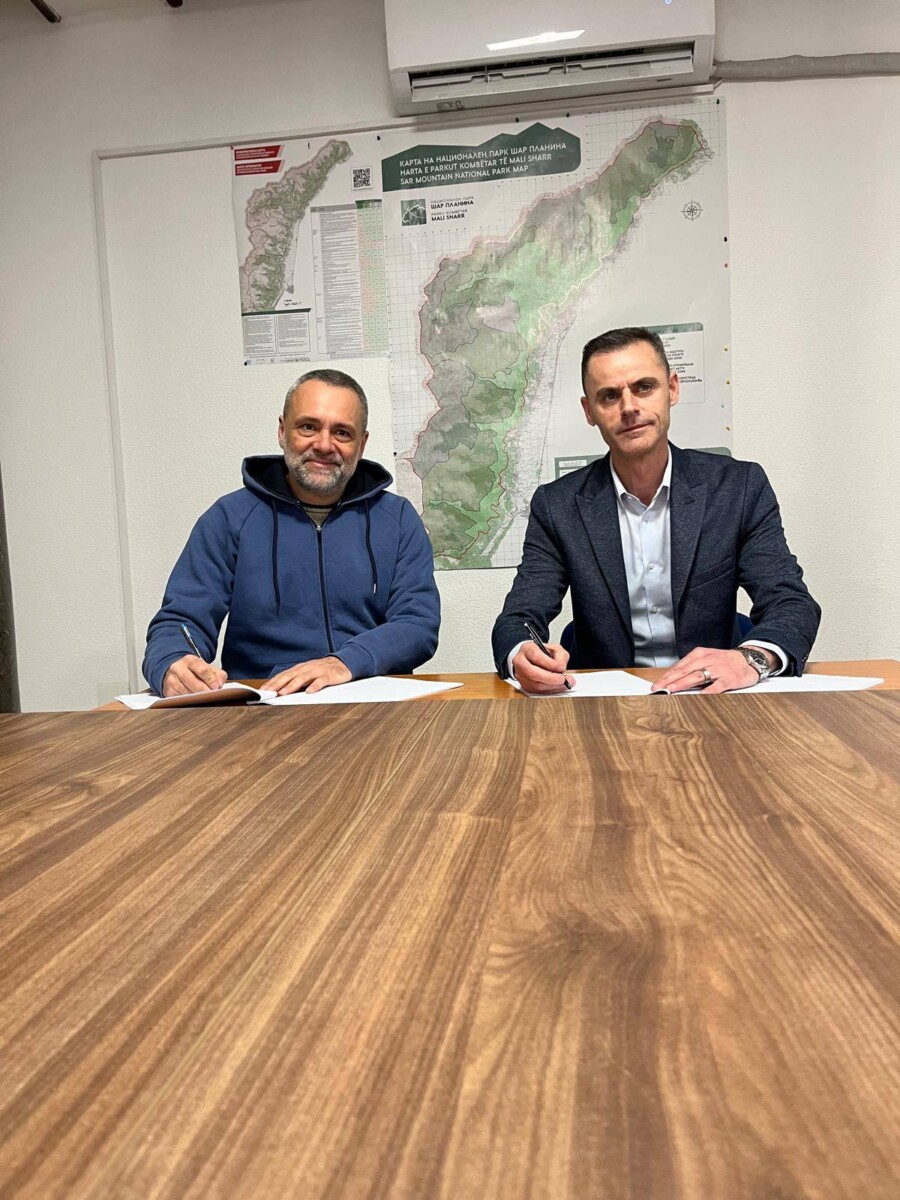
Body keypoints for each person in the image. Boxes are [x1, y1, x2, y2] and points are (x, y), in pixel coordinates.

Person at [492, 327, 820, 694]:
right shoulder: (558, 505)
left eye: (644, 387)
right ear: (589, 411)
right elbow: (518, 619)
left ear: (672, 389)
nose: (629, 407)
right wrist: (522, 652)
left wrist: (753, 658)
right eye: (609, 396)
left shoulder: (737, 488)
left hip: (713, 696)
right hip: (606, 701)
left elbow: (790, 602)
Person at [144, 369, 440, 697]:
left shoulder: (397, 519)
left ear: (361, 444)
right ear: (283, 431)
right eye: (308, 427)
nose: (324, 445)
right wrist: (171, 662)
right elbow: (180, 620)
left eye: (342, 432)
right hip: (265, 705)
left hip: (373, 702)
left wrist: (345, 662)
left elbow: (418, 624)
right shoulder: (229, 518)